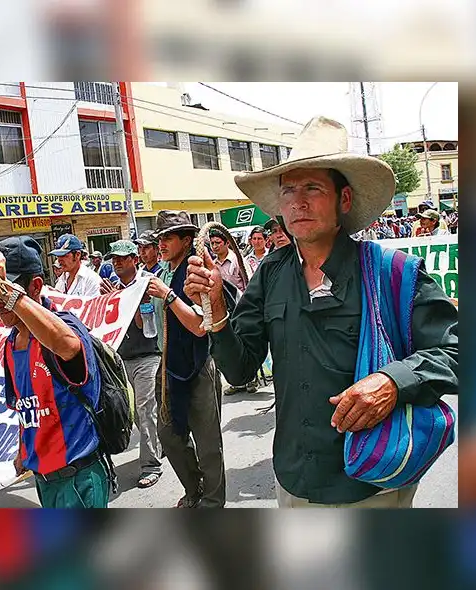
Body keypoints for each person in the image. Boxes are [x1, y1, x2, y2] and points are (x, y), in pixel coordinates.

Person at [185, 116, 458, 508]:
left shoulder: (391, 272)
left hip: (372, 483)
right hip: (294, 482)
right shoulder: (270, 274)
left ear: (343, 199)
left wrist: (392, 383)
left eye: (313, 188)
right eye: (289, 190)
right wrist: (214, 305)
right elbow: (241, 369)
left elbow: (456, 351)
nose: (298, 201)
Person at [0, 236, 110, 508]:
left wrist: (8, 292)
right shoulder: (11, 344)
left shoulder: (64, 327)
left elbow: (65, 345)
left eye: (3, 290)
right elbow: (24, 406)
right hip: (45, 481)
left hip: (77, 479)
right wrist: (24, 450)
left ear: (35, 287)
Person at [148, 210, 226, 508]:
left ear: (186, 239)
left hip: (197, 366)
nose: (162, 244)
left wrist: (168, 296)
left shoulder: (197, 272)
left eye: (168, 237)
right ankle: (194, 489)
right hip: (167, 367)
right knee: (169, 436)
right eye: (160, 239)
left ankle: (212, 502)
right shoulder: (163, 273)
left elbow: (199, 325)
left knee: (208, 444)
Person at [103, 239, 164, 488]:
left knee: (144, 408)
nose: (116, 262)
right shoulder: (113, 287)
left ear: (133, 259)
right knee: (134, 412)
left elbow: (144, 326)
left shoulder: (146, 284)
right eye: (114, 258)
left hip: (147, 356)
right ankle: (160, 445)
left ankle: (151, 465)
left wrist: (125, 300)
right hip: (121, 358)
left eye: (121, 258)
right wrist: (114, 300)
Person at [208, 228, 247, 293]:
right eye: (212, 243)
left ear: (227, 243)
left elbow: (248, 282)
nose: (214, 246)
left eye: (218, 243)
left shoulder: (238, 260)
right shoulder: (213, 264)